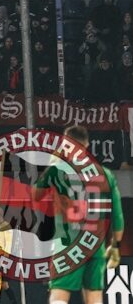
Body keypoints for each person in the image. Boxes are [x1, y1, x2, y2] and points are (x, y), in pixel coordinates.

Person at [38, 124, 123, 304]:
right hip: (95, 246)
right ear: (86, 145)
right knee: (94, 298)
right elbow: (117, 218)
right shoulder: (106, 174)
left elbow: (35, 196)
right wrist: (116, 245)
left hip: (67, 245)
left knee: (59, 296)